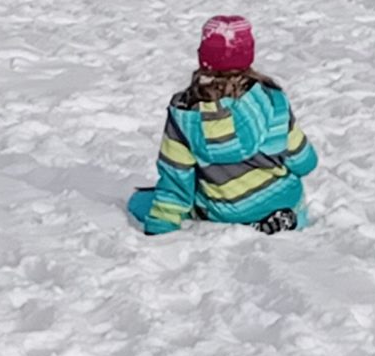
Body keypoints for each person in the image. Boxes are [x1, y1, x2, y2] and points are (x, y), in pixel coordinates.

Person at [126, 16, 319, 235]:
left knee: (139, 202)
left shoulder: (186, 113)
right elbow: (304, 162)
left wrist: (160, 227)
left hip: (225, 209)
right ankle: (289, 219)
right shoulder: (273, 99)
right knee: (295, 198)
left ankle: (245, 222)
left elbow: (176, 179)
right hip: (279, 197)